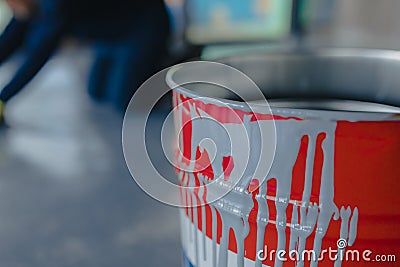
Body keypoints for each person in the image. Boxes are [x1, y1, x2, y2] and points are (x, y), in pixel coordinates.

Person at [0, 0, 171, 120]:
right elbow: (11, 38)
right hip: (108, 37)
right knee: (96, 93)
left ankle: (174, 74)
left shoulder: (58, 4)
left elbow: (38, 56)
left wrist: (3, 99)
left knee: (127, 103)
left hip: (141, 31)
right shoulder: (30, 4)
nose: (9, 5)